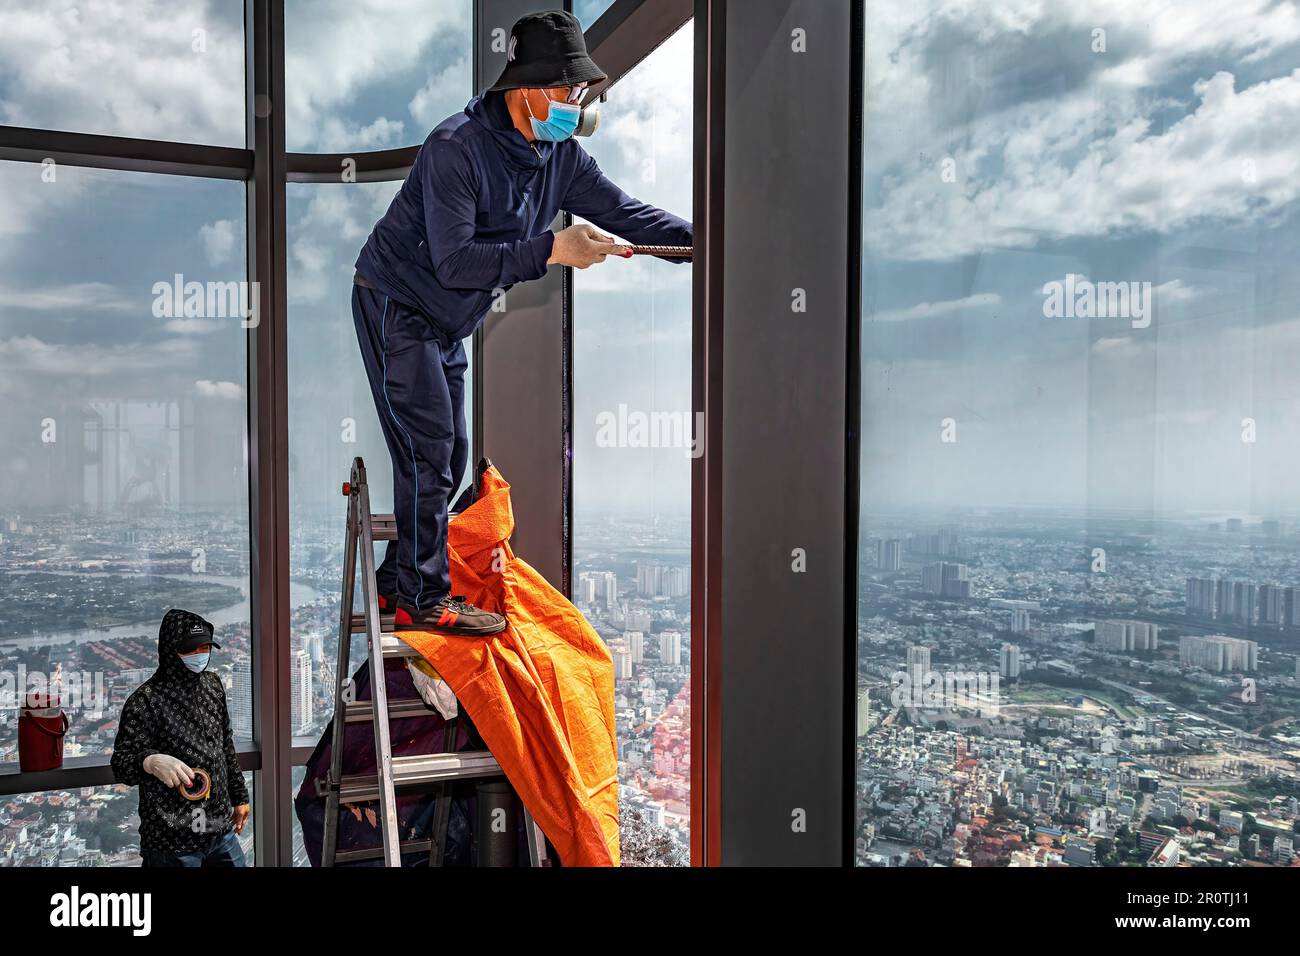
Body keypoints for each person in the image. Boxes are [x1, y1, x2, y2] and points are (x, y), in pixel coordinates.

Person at [352, 9, 692, 634]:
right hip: (396, 300)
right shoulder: (456, 147)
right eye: (568, 90)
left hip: (447, 321)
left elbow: (626, 212)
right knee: (428, 448)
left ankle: (395, 581)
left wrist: (698, 242)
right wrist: (554, 249)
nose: (577, 103)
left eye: (580, 92)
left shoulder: (561, 156)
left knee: (449, 454)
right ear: (528, 87)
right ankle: (423, 602)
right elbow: (455, 262)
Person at [111, 609, 250, 867]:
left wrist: (240, 796)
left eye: (205, 648)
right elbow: (120, 765)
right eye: (191, 650)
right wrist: (149, 761)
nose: (200, 656)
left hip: (219, 829)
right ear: (170, 650)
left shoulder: (213, 685)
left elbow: (225, 745)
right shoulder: (145, 701)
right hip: (171, 842)